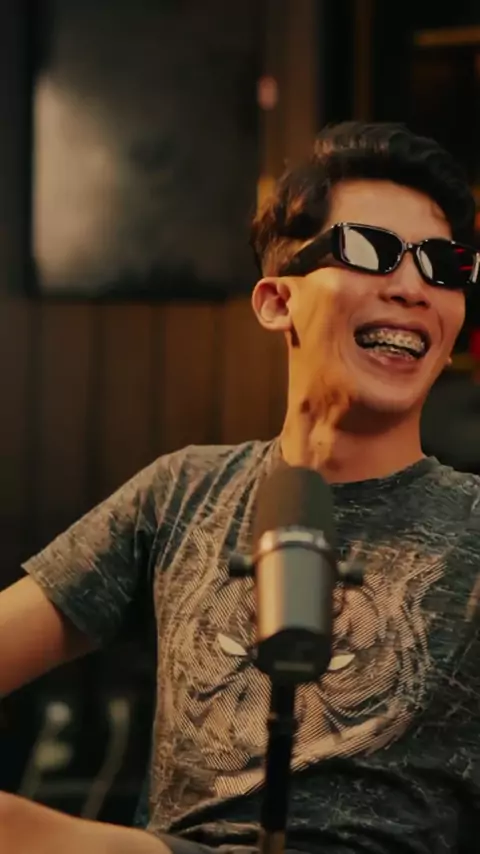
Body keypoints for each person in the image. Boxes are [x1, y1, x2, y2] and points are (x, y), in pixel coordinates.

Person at [1, 121, 480, 854]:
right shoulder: (182, 493)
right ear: (277, 301)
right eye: (369, 250)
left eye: (443, 266)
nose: (414, 287)